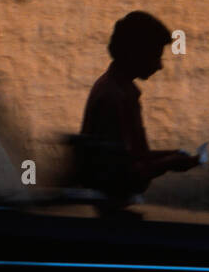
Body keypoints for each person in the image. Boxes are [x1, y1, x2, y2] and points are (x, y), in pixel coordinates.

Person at [77, 11, 199, 207]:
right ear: (135, 54)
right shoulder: (114, 97)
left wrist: (169, 156)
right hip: (111, 210)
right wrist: (168, 163)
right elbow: (122, 175)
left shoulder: (117, 90)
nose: (160, 66)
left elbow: (130, 157)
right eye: (155, 56)